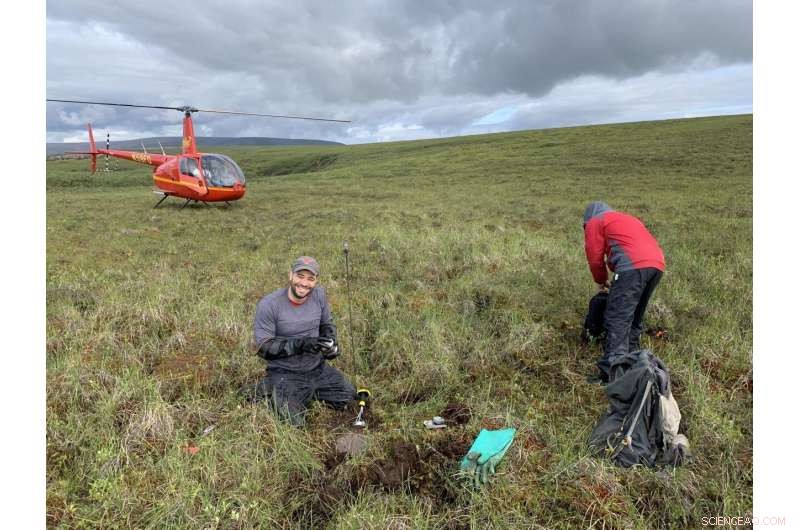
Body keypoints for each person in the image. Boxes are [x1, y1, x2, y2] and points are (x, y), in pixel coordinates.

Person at [252, 256, 355, 426]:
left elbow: (327, 324)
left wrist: (331, 345)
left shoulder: (319, 295)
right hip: (285, 372)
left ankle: (306, 393)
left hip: (317, 369)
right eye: (300, 276)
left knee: (350, 398)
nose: (304, 283)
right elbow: (263, 348)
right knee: (293, 423)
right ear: (290, 275)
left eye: (310, 279)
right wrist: (301, 344)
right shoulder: (269, 304)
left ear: (316, 281)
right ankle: (269, 390)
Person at [583, 202, 665, 382]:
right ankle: (635, 363)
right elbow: (627, 246)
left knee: (617, 319)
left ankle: (612, 375)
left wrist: (601, 280)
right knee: (635, 317)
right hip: (657, 265)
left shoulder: (595, 222)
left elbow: (594, 255)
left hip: (633, 267)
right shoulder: (625, 219)